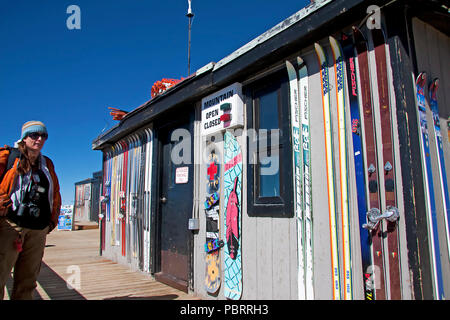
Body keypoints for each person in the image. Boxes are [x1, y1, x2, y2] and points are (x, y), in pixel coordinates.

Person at [0, 120, 61, 300]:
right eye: (34, 135)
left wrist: (51, 221)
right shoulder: (9, 157)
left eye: (43, 136)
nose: (39, 139)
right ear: (24, 138)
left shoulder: (47, 164)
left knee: (28, 281)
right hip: (11, 226)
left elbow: (55, 193)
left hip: (38, 229)